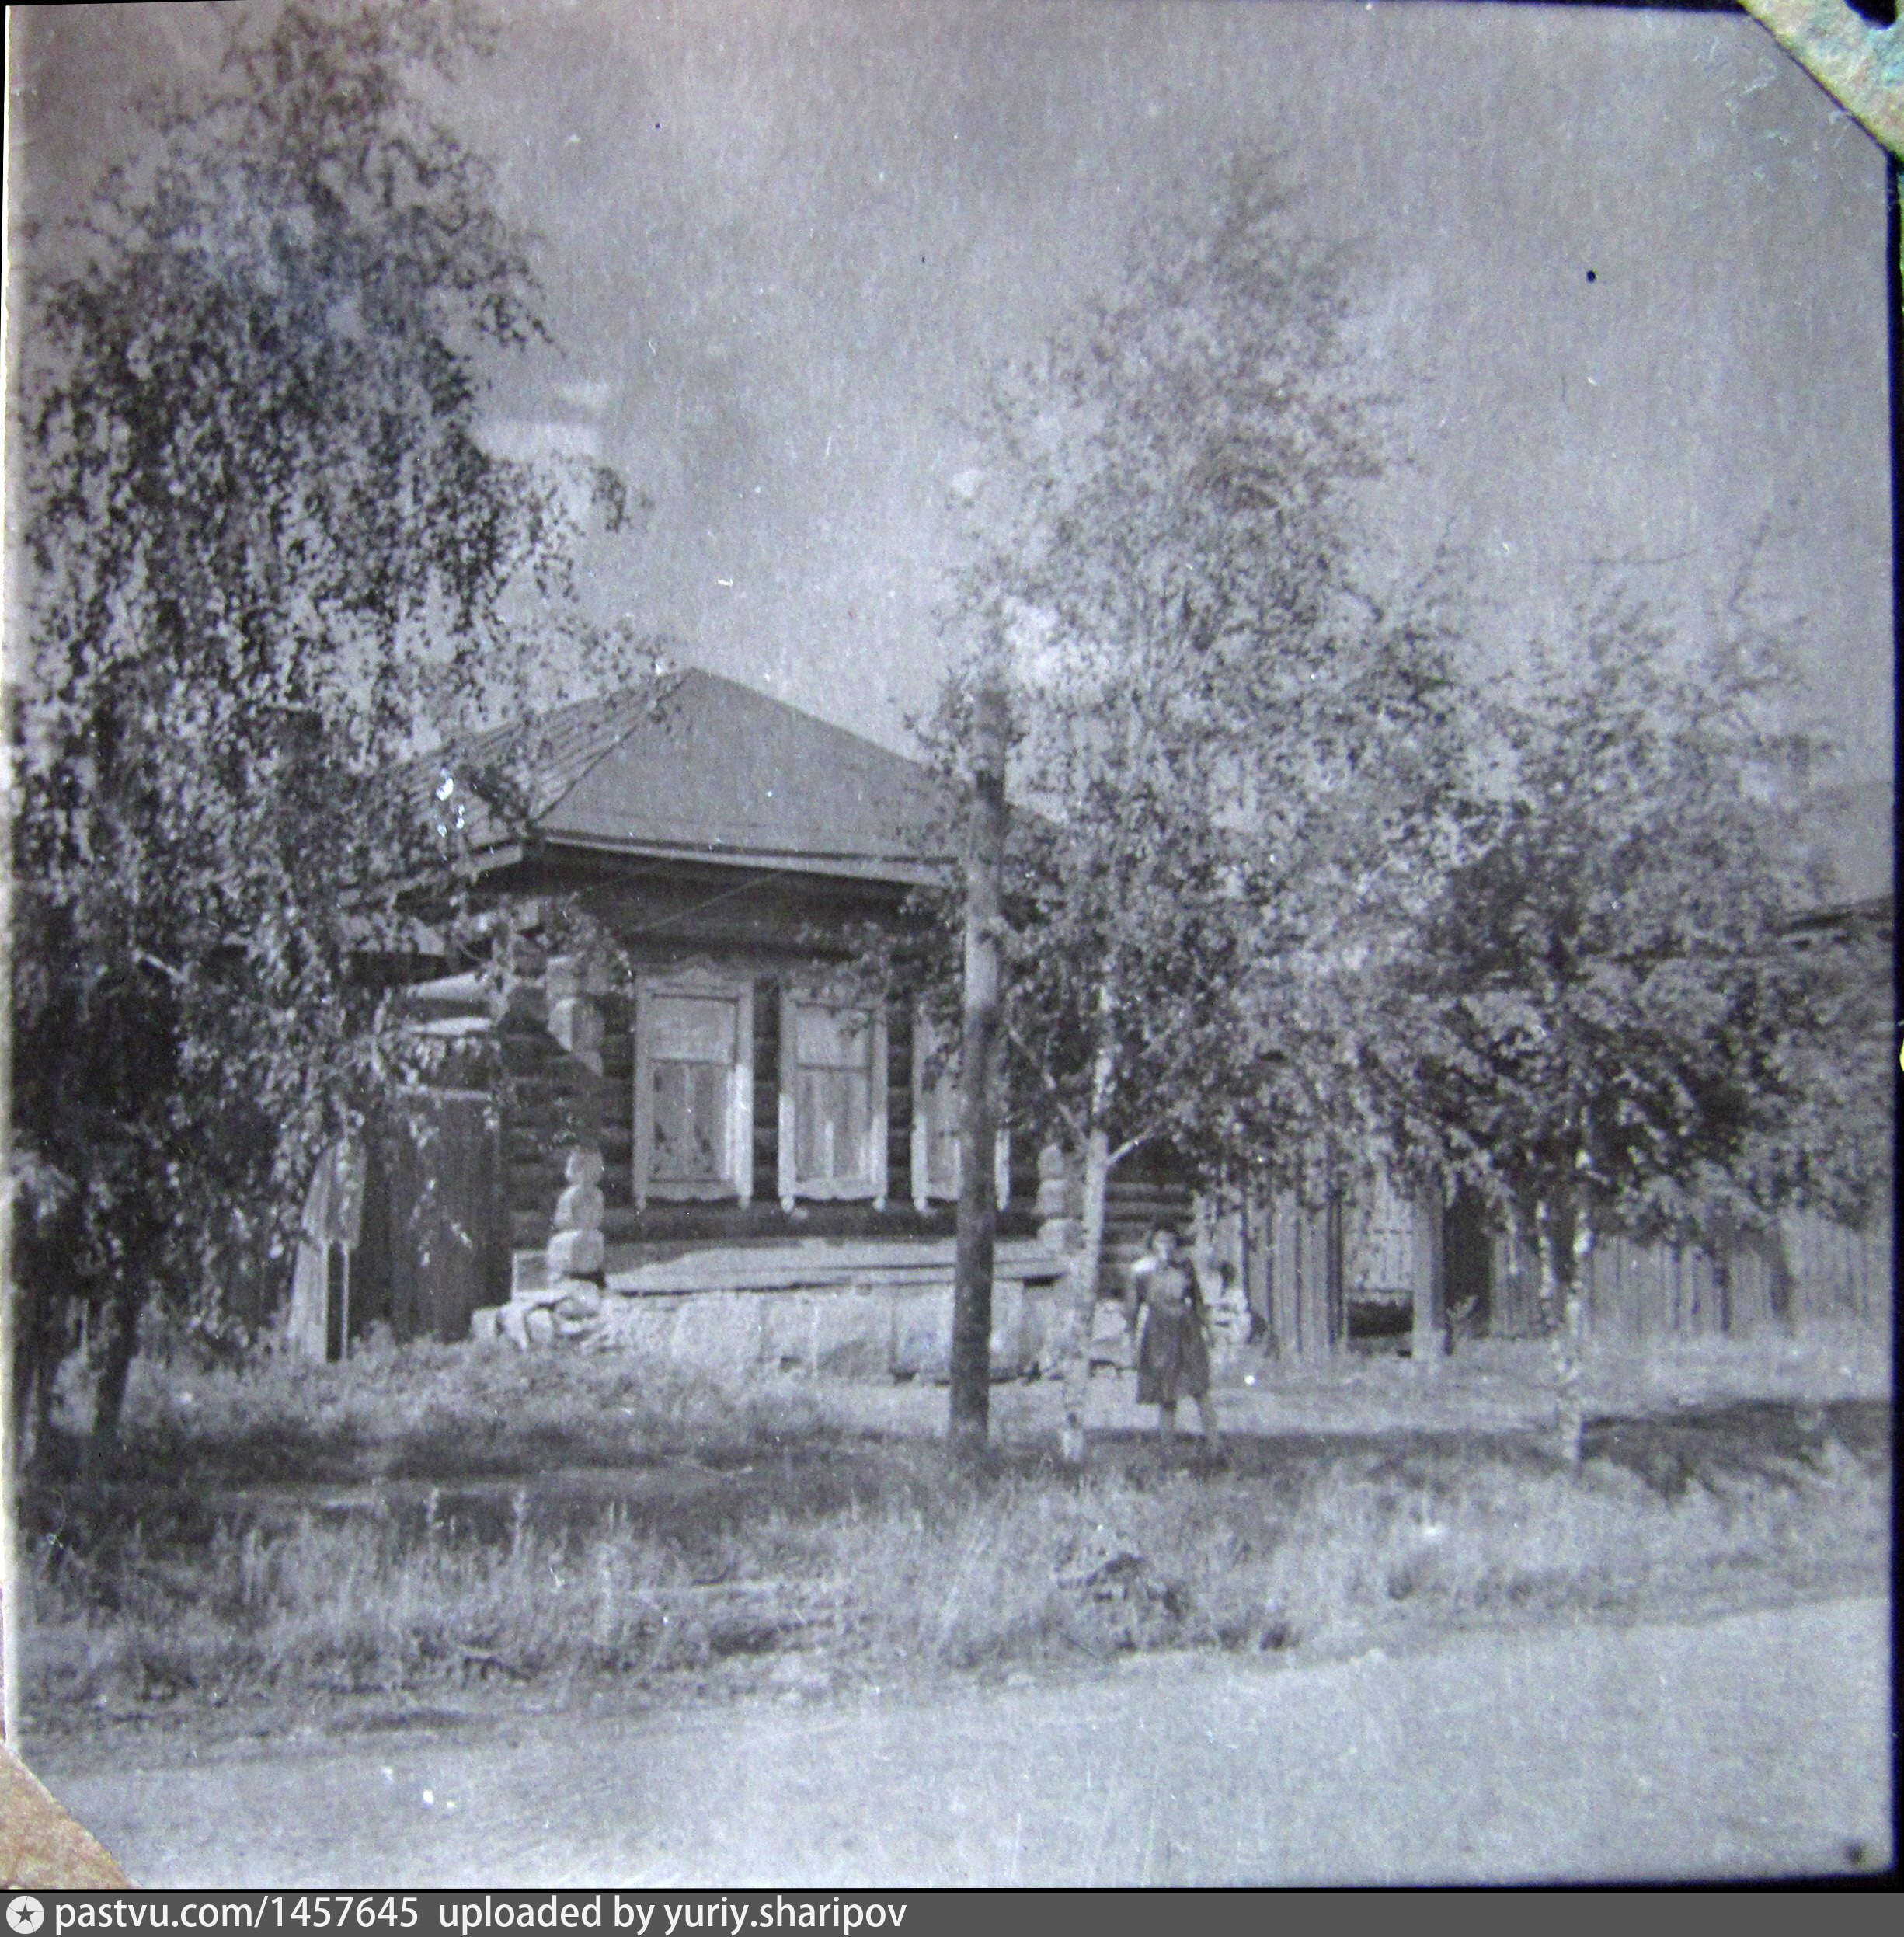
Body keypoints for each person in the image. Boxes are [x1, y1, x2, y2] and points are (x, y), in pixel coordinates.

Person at [1125, 1225, 1220, 1461]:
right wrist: (1131, 1343)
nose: (1166, 1247)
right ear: (1152, 1243)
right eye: (1161, 1241)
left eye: (1170, 1241)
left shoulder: (1185, 1267)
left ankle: (1215, 1447)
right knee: (1167, 1394)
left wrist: (1209, 1330)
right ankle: (1167, 1452)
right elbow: (1132, 1310)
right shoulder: (1141, 1270)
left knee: (1200, 1389)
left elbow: (1198, 1301)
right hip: (1159, 1334)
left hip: (1187, 1331)